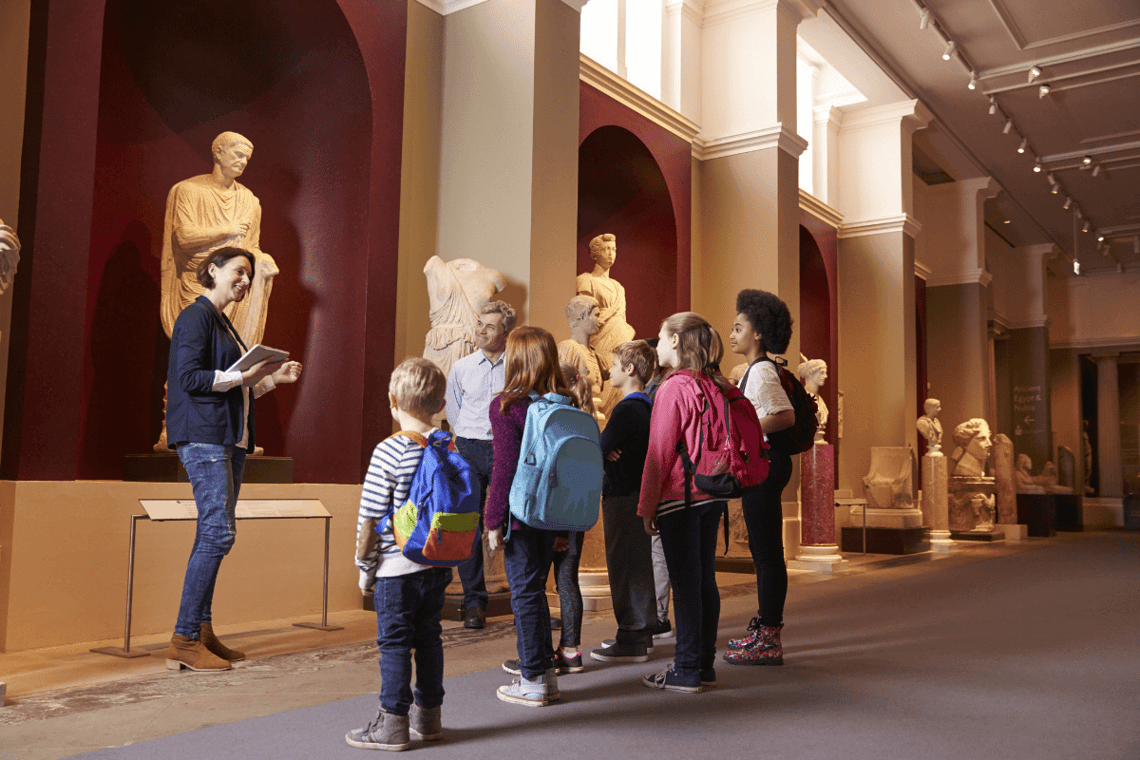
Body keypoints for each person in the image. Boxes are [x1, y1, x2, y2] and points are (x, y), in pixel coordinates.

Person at [164, 246, 302, 672]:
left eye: (249, 274)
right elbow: (188, 378)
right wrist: (245, 375)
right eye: (239, 272)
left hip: (228, 439)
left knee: (212, 533)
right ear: (213, 270)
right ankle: (184, 639)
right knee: (218, 534)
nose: (245, 280)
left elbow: (234, 387)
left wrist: (269, 379)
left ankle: (201, 631)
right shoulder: (196, 315)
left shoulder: (224, 322)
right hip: (204, 438)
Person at [346, 358, 452, 751]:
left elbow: (371, 518)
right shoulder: (446, 445)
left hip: (396, 568)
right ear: (440, 404)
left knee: (393, 644)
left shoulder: (389, 450)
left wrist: (364, 568)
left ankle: (392, 724)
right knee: (429, 639)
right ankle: (429, 718)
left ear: (392, 400)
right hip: (436, 563)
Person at [156, 132, 279, 451]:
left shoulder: (250, 201)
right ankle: (175, 429)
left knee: (232, 358)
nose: (242, 162)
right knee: (192, 358)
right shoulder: (188, 190)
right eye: (237, 154)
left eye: (247, 158)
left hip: (234, 288)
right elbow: (183, 238)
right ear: (218, 152)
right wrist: (226, 232)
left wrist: (262, 263)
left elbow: (250, 247)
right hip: (198, 283)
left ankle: (230, 433)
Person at [638, 312, 732, 693]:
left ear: (675, 341)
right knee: (704, 580)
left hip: (679, 496)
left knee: (685, 584)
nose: (656, 343)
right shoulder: (714, 382)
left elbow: (659, 452)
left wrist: (646, 507)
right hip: (712, 495)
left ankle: (687, 668)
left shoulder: (673, 387)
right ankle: (704, 664)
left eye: (660, 336)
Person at [485, 327, 573, 707]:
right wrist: (567, 526)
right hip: (555, 512)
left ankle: (533, 677)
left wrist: (492, 520)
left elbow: (504, 468)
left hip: (522, 513)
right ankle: (547, 676)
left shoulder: (507, 405)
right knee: (537, 589)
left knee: (524, 593)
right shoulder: (565, 405)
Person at [503, 361, 593, 678]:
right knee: (567, 582)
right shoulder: (582, 419)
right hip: (575, 513)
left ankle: (539, 657)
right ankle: (570, 650)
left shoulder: (549, 421)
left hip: (547, 515)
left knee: (537, 586)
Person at [724, 289, 795, 666]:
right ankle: (766, 630)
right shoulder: (758, 370)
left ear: (759, 334)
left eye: (738, 328)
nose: (732, 334)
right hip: (767, 464)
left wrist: (745, 430)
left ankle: (769, 638)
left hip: (766, 465)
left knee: (767, 555)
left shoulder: (763, 370)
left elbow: (784, 416)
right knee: (765, 553)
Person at [445, 300, 516, 629]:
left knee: (514, 521)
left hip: (506, 447)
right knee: (469, 525)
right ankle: (475, 602)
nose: (480, 329)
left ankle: (522, 598)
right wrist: (466, 438)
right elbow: (454, 411)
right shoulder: (461, 367)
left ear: (505, 332)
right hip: (469, 448)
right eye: (479, 323)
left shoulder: (516, 366)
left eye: (489, 325)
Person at [592, 340, 658, 663]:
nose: (610, 370)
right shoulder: (646, 407)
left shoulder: (626, 408)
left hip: (621, 495)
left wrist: (605, 450)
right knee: (638, 564)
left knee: (622, 564)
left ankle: (631, 636)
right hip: (639, 493)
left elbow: (599, 447)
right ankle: (641, 633)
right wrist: (607, 450)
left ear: (630, 370)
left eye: (615, 364)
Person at [575, 233, 636, 370]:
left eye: (613, 249)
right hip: (596, 342)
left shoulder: (618, 287)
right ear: (595, 253)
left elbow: (621, 319)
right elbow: (584, 318)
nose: (610, 253)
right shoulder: (586, 280)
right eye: (606, 249)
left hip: (619, 342)